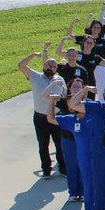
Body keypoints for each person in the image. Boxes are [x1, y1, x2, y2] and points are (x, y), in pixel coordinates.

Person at [19, 43, 65, 178]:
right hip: (40, 118)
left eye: (53, 66)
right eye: (48, 65)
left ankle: (63, 168)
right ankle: (46, 170)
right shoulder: (35, 76)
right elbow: (21, 66)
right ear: (44, 66)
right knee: (43, 144)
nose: (50, 68)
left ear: (57, 69)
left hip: (56, 117)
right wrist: (33, 55)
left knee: (60, 143)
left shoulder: (60, 79)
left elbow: (64, 96)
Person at [46, 82, 87, 204]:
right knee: (72, 166)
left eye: (79, 87)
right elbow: (51, 118)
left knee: (84, 166)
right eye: (74, 86)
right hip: (68, 139)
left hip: (84, 141)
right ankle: (73, 193)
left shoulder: (88, 103)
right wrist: (51, 102)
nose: (76, 88)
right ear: (69, 88)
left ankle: (84, 192)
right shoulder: (67, 109)